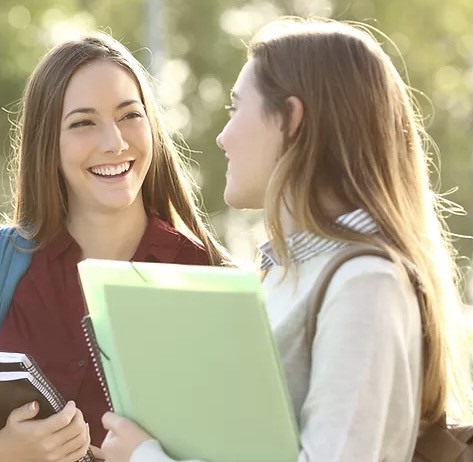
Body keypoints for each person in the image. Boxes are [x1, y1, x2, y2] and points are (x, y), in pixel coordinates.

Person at [97, 17, 473, 462]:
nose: (223, 136)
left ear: (291, 119)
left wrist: (147, 458)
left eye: (235, 109)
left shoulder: (365, 283)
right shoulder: (286, 273)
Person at [0, 32, 229, 462]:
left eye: (130, 115)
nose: (115, 142)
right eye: (83, 122)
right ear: (47, 144)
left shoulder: (208, 276)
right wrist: (4, 451)